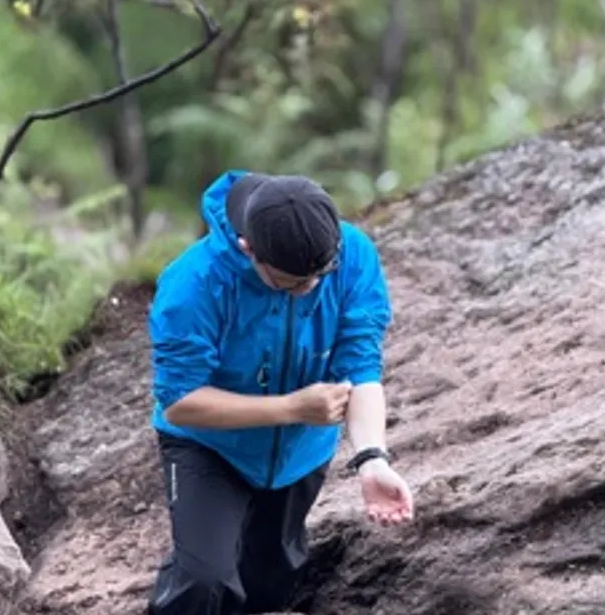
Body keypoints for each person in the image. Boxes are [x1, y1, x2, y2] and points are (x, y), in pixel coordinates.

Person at [146, 169, 414, 615]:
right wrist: (291, 407)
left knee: (269, 584)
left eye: (321, 275)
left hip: (299, 453)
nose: (310, 289)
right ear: (248, 248)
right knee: (203, 581)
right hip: (209, 446)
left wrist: (372, 459)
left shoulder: (352, 255)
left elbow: (360, 367)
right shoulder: (194, 283)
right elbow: (180, 402)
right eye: (291, 283)